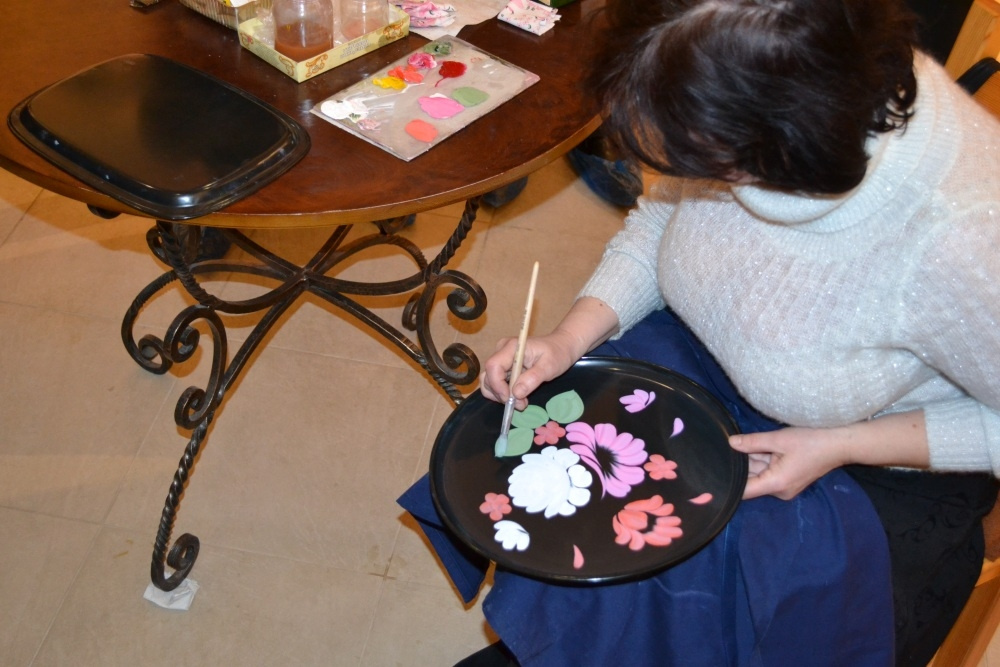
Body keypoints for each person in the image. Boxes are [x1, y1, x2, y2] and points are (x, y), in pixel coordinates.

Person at [397, 0, 1000, 664]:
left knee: (675, 606)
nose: (679, 174)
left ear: (779, 140)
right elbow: (662, 219)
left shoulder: (966, 236)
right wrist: (568, 339)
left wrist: (841, 443)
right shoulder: (758, 84)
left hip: (870, 460)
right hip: (707, 357)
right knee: (541, 484)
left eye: (700, 160)